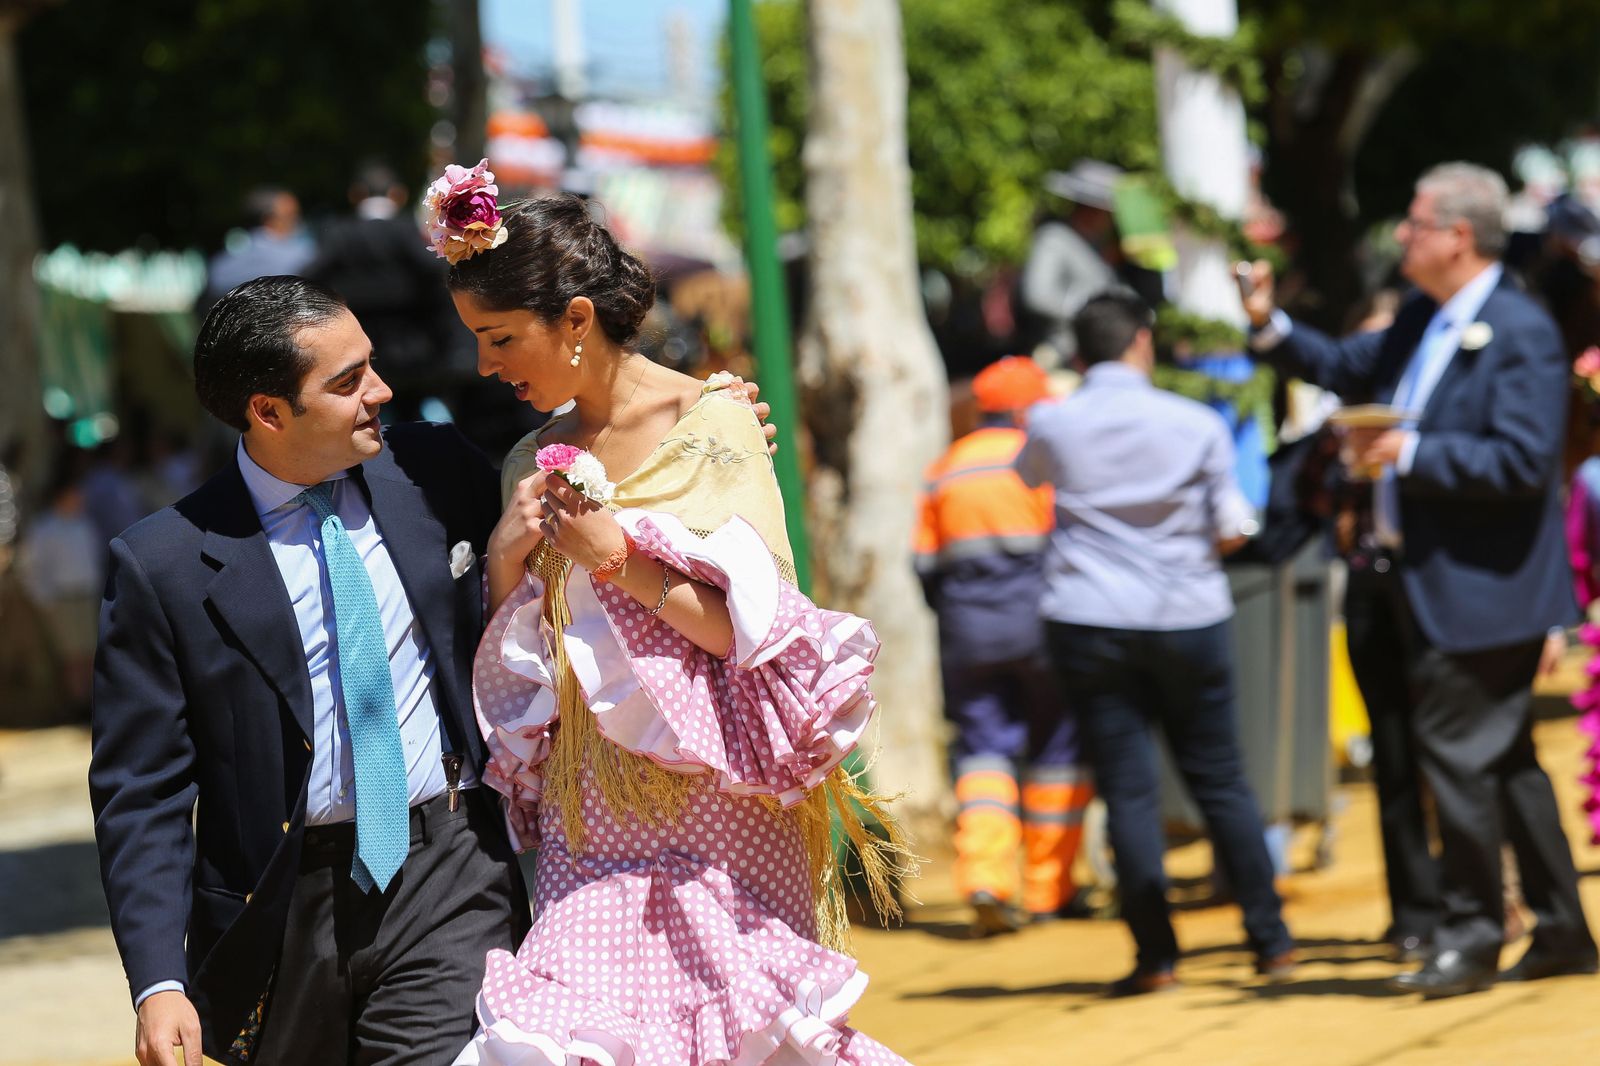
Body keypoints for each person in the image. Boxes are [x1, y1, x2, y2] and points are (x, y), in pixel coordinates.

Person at [432, 164, 910, 1064]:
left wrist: (617, 558)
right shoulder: (527, 461)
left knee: (731, 1031)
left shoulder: (715, 422)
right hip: (591, 806)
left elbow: (754, 633)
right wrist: (505, 559)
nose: (487, 367)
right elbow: (523, 659)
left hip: (716, 795)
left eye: (498, 339)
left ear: (574, 320)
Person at [90, 276, 531, 1066]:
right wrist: (157, 982)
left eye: (372, 365)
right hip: (280, 909)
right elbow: (142, 790)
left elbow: (570, 477)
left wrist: (698, 422)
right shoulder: (162, 565)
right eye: (348, 381)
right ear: (268, 411)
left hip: (449, 870)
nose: (382, 391)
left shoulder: (436, 470)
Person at [1241, 161, 1598, 997]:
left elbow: (1521, 461)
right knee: (1504, 762)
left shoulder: (1519, 328)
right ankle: (1559, 929)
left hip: (1486, 587)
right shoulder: (1421, 318)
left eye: (1415, 221)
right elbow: (1340, 361)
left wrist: (1411, 452)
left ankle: (1471, 935)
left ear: (1458, 236)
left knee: (1459, 762)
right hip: (1438, 581)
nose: (1402, 235)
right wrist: (1266, 325)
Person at [1017, 290, 1294, 996]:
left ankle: (1156, 957)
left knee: (1128, 788)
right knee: (1221, 777)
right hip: (1187, 615)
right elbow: (1234, 526)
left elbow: (1028, 479)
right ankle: (1270, 940)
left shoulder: (1054, 420)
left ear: (1081, 354)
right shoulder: (1196, 422)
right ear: (1143, 341)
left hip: (1089, 618)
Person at [914, 355, 1091, 934]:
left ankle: (987, 880)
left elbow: (923, 564)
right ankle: (1049, 890)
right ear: (1025, 409)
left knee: (984, 753)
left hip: (969, 636)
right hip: (1043, 627)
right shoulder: (1042, 462)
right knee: (1057, 751)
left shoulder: (944, 469)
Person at [306, 161, 466, 422]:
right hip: (412, 348)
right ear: (398, 194)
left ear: (355, 194)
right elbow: (437, 274)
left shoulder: (340, 233)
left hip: (357, 345)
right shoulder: (404, 230)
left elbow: (310, 274)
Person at [200, 186, 315, 311]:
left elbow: (215, 278)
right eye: (290, 215)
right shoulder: (285, 255)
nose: (297, 221)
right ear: (269, 220)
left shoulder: (233, 255)